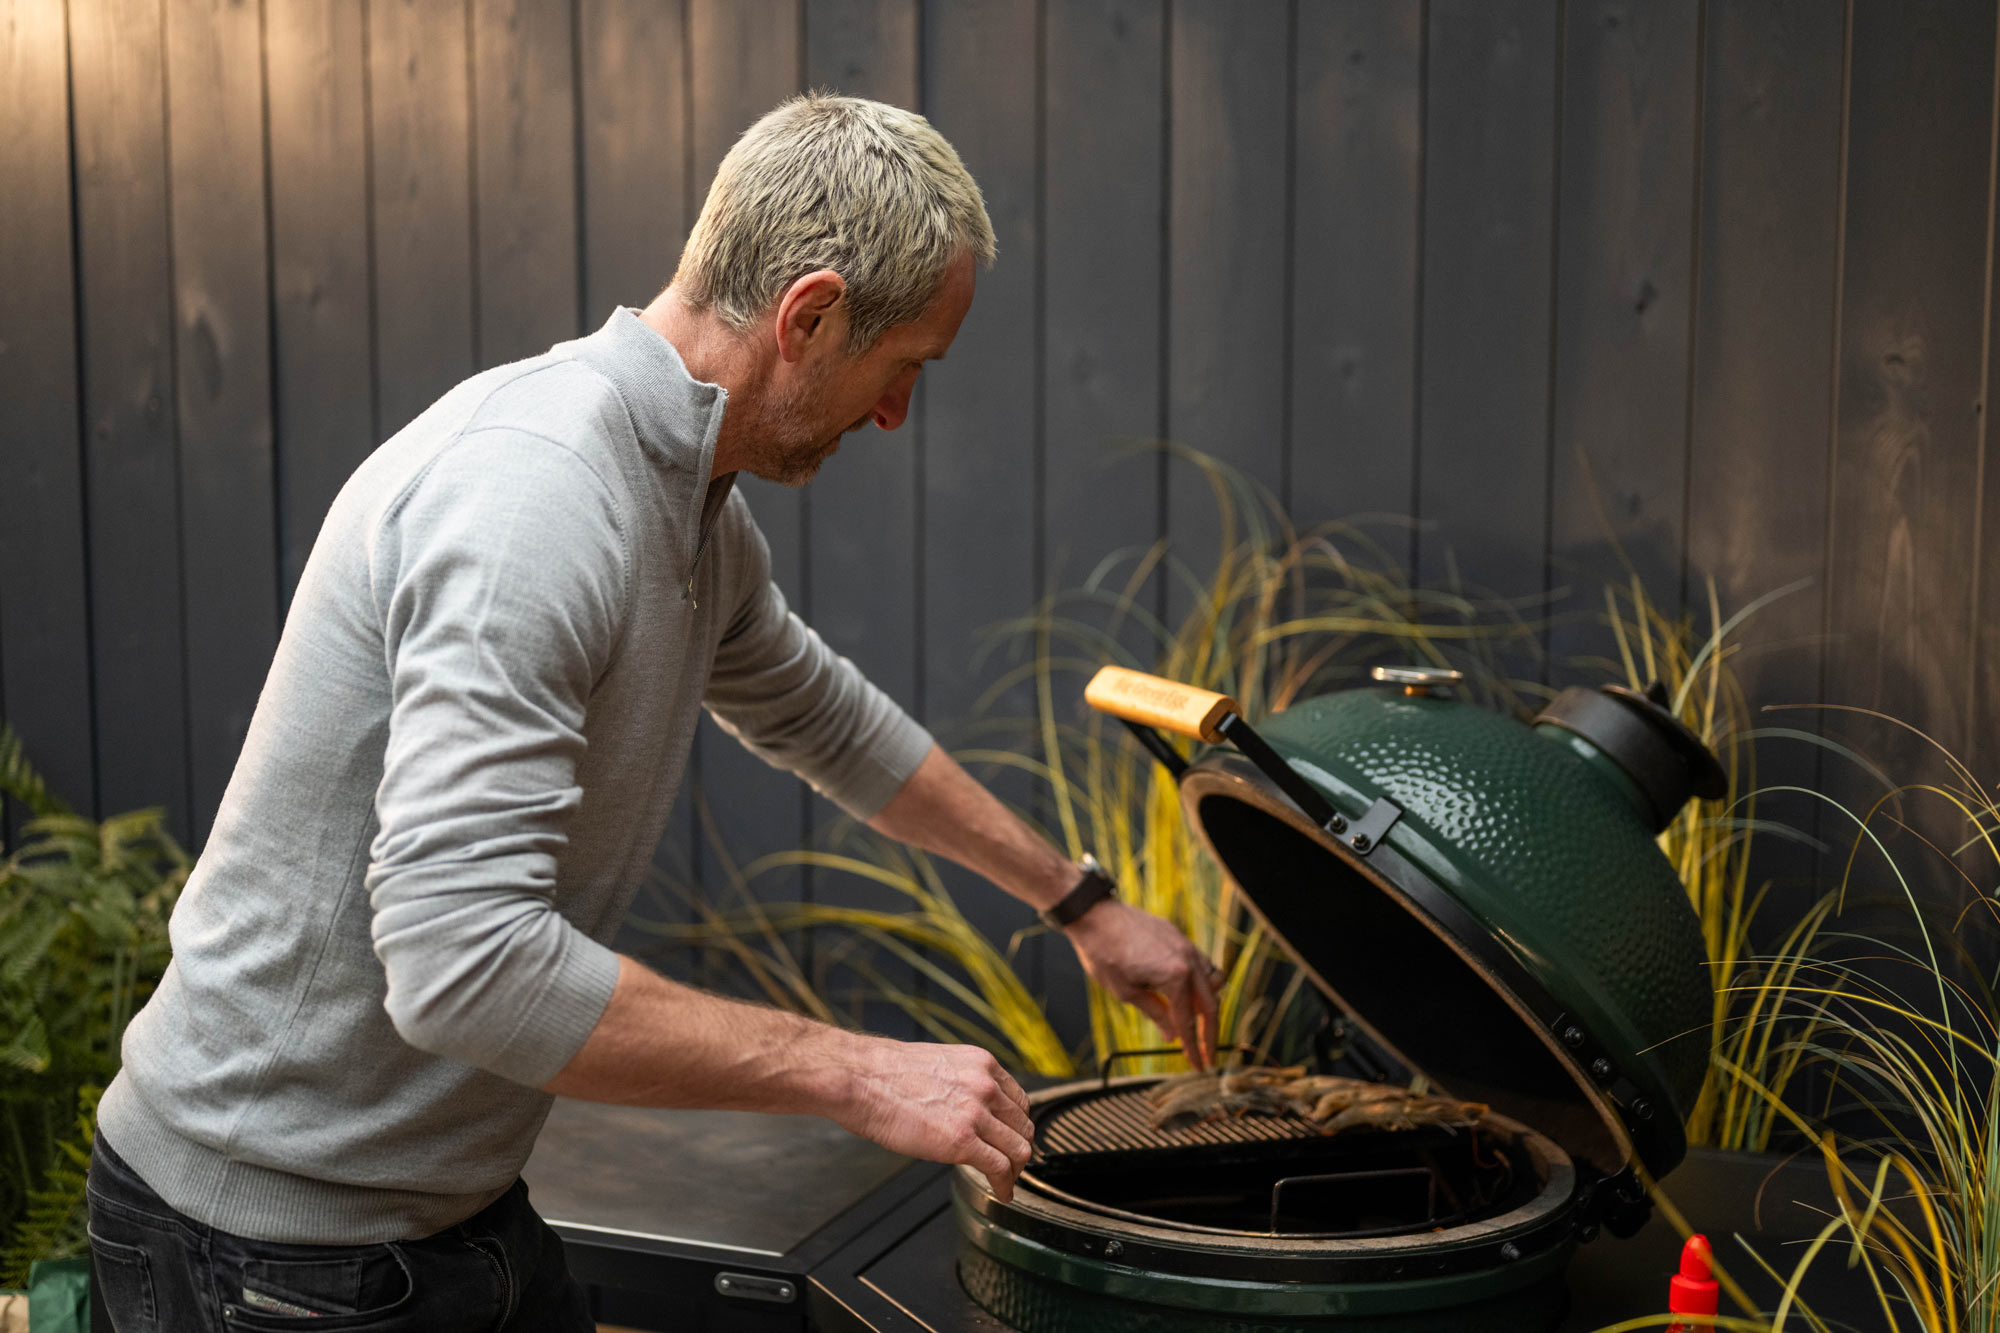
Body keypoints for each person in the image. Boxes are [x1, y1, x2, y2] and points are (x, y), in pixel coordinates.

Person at [85, 93, 1220, 1331]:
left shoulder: (687, 501)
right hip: (265, 1248)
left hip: (448, 1212)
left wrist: (1082, 903)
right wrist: (855, 1070)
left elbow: (825, 720)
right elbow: (460, 966)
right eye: (901, 372)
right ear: (811, 315)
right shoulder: (535, 503)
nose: (895, 416)